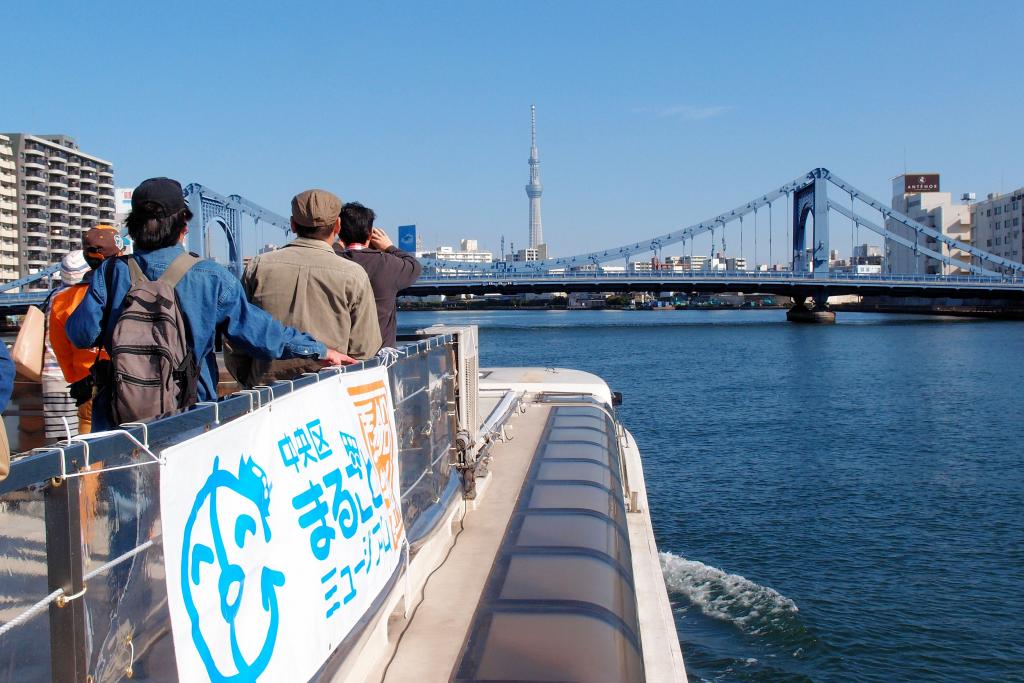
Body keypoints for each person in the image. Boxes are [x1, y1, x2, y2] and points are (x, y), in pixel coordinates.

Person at [67, 177, 349, 431]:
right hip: (189, 416)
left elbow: (80, 335)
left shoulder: (111, 273)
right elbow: (260, 335)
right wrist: (319, 349)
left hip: (120, 421)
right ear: (183, 228)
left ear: (133, 229)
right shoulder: (211, 277)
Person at [228, 189, 381, 386]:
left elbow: (236, 335)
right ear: (337, 226)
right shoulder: (353, 274)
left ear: (292, 224)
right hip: (329, 390)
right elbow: (365, 348)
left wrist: (250, 379)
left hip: (265, 395)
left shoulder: (258, 267)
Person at [49, 226, 125, 434]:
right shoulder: (135, 288)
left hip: (90, 385)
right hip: (133, 383)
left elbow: (62, 349)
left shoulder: (62, 301)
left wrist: (77, 378)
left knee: (91, 453)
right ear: (119, 252)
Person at [336, 202, 422, 348]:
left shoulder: (332, 260)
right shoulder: (388, 264)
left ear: (339, 231)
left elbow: (326, 253)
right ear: (370, 234)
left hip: (340, 357)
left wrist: (338, 244)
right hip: (379, 357)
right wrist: (389, 247)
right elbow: (414, 266)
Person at [42, 251, 91, 439]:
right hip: (81, 375)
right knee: (88, 440)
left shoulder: (54, 298)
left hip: (53, 377)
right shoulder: (88, 296)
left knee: (63, 443)